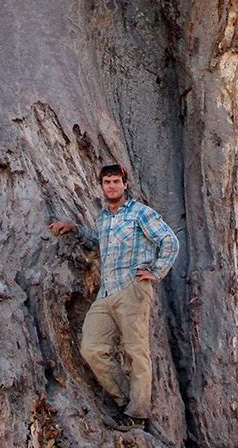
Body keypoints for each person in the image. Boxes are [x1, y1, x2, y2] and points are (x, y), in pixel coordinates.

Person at [50, 163, 179, 426]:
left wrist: (156, 271)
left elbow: (169, 241)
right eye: (107, 182)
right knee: (92, 349)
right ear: (101, 186)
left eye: (116, 182)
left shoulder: (140, 213)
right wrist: (74, 229)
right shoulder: (103, 218)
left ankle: (137, 414)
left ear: (125, 184)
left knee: (136, 350)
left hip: (132, 289)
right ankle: (125, 400)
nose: (111, 186)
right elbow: (99, 247)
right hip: (106, 291)